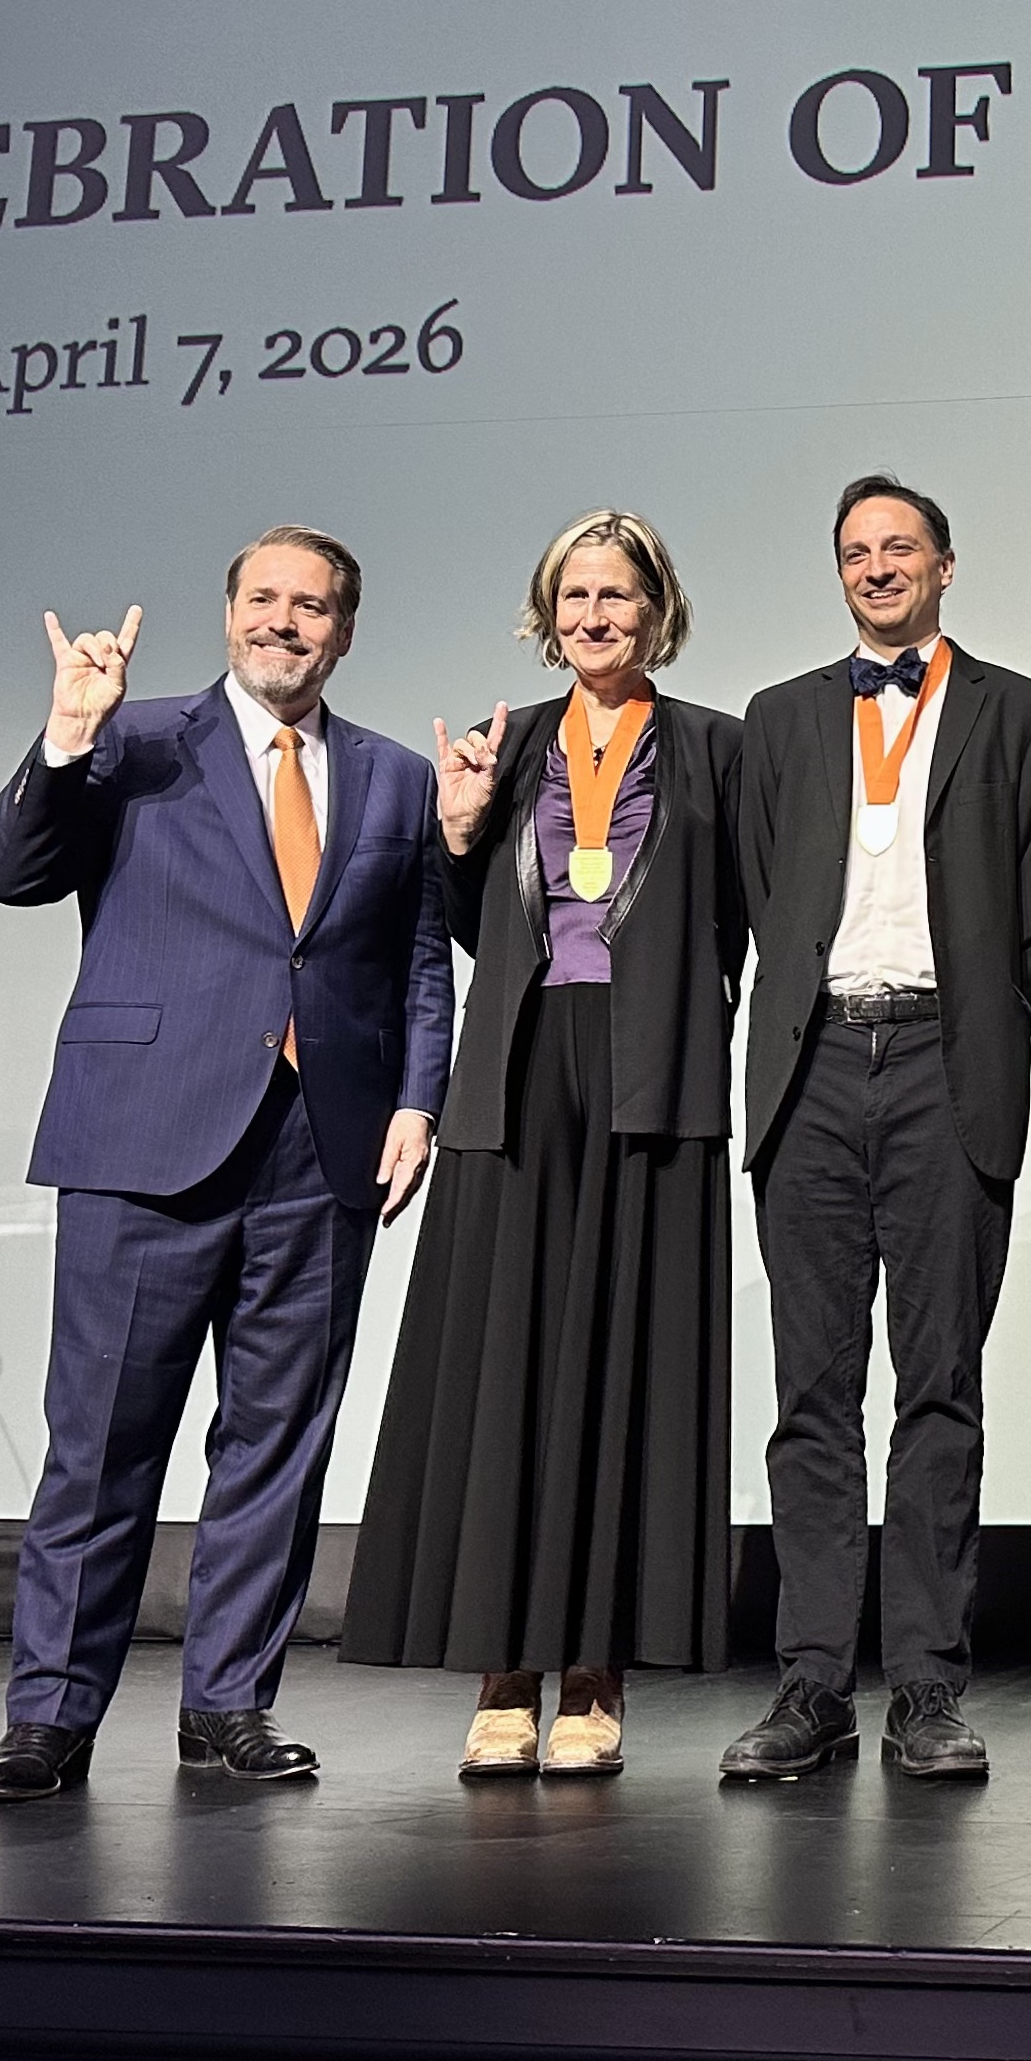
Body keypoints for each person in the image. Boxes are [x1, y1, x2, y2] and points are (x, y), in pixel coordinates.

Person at [0, 527, 448, 1802]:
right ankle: (50, 1718)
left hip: (321, 1147)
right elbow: (10, 873)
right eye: (264, 599)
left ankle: (229, 1703)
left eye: (313, 606)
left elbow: (413, 960)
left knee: (277, 1446)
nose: (284, 622)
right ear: (228, 614)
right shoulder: (137, 740)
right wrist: (68, 732)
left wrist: (419, 1098)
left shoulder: (394, 777)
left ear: (345, 629)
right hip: (144, 1136)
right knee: (103, 1442)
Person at [341, 510, 748, 1779]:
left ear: (657, 607)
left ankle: (595, 1672)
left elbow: (738, 922)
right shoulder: (502, 746)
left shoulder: (715, 749)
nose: (594, 615)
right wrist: (457, 832)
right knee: (502, 1371)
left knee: (622, 1369)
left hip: (647, 1080)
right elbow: (462, 927)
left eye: (618, 593)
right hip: (512, 1080)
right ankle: (504, 1668)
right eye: (574, 594)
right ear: (545, 609)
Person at [717, 477, 1031, 1784]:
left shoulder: (1018, 715)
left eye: (901, 549)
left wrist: (965, 1029)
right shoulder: (778, 720)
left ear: (946, 565)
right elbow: (761, 894)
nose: (879, 569)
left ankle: (927, 1688)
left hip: (943, 1062)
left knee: (938, 1394)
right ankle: (811, 1687)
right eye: (857, 553)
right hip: (808, 1070)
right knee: (811, 1397)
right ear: (840, 574)